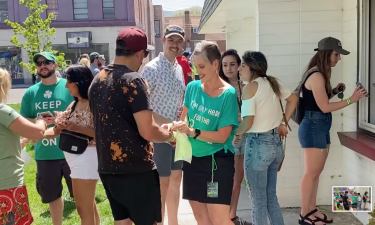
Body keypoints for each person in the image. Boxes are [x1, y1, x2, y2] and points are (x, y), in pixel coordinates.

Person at [89, 27, 174, 225]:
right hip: (136, 170)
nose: (143, 60)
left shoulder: (97, 79)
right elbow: (148, 131)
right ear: (138, 53)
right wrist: (170, 136)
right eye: (144, 54)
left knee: (122, 222)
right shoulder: (133, 80)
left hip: (107, 168)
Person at [167, 40, 239, 225]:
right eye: (195, 66)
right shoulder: (192, 88)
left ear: (215, 64)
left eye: (201, 66)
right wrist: (175, 129)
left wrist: (193, 132)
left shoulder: (228, 94)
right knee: (201, 218)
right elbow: (184, 120)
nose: (197, 71)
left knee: (220, 219)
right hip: (192, 160)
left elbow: (223, 136)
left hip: (217, 164)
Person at [298, 37, 367, 225]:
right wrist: (351, 99)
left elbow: (318, 100)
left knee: (316, 172)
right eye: (336, 54)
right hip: (313, 127)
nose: (338, 58)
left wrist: (335, 90)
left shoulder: (319, 75)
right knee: (310, 173)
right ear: (326, 54)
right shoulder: (317, 76)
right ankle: (304, 215)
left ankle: (311, 209)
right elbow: (324, 107)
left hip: (319, 126)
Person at [234, 51, 298, 225]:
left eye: (243, 65)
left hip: (257, 146)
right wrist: (284, 121)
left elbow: (247, 122)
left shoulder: (250, 87)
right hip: (275, 145)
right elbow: (293, 99)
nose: (239, 69)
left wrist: (235, 133)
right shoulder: (272, 83)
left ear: (253, 68)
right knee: (270, 198)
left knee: (258, 201)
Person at [20, 52, 74, 225]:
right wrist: (39, 121)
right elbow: (24, 119)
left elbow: (82, 111)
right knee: (52, 196)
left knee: (82, 196)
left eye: (47, 62)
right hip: (45, 154)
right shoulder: (31, 93)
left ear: (55, 65)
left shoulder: (69, 86)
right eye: (39, 63)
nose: (42, 66)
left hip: (72, 151)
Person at [141, 25, 186, 225]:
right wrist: (170, 125)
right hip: (159, 135)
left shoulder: (179, 68)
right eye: (171, 40)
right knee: (162, 183)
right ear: (163, 41)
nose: (175, 45)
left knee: (176, 181)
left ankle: (173, 222)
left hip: (178, 136)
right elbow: (144, 107)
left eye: (178, 41)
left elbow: (179, 98)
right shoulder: (151, 68)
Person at [43, 65, 100, 225]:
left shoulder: (93, 104)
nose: (66, 85)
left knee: (83, 209)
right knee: (89, 207)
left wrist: (74, 127)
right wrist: (32, 135)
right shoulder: (74, 104)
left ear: (80, 82)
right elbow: (55, 132)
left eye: (69, 81)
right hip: (77, 162)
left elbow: (101, 134)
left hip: (87, 161)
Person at [0, 68, 47, 225]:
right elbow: (38, 133)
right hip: (6, 183)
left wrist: (21, 143)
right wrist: (42, 119)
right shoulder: (3, 112)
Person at [218, 49, 250, 225]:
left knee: (237, 180)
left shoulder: (246, 87)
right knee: (222, 180)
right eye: (225, 65)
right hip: (225, 139)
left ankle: (231, 216)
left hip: (244, 137)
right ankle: (221, 216)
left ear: (239, 66)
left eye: (232, 64)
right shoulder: (219, 88)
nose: (228, 68)